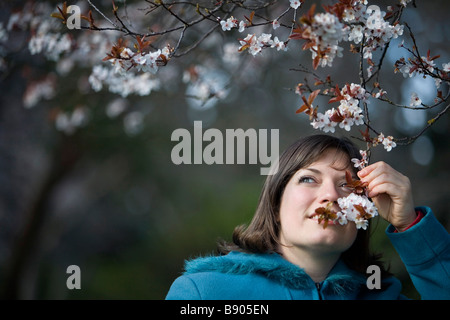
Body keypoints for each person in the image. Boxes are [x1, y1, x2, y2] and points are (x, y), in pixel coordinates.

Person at [165, 134, 450, 300]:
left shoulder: (383, 295)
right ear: (276, 203)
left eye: (346, 185)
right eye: (308, 180)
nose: (331, 195)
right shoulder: (204, 292)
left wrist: (409, 224)